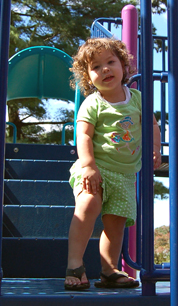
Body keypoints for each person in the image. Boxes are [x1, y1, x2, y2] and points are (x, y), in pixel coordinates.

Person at [65, 37, 162, 291]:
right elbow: (83, 134)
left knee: (116, 222)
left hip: (124, 174)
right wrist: (88, 165)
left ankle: (108, 270)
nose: (105, 69)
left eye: (110, 62)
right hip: (94, 168)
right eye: (96, 67)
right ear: (88, 77)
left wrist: (154, 148)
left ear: (123, 66)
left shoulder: (138, 99)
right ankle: (74, 264)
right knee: (89, 203)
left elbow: (152, 125)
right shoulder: (93, 103)